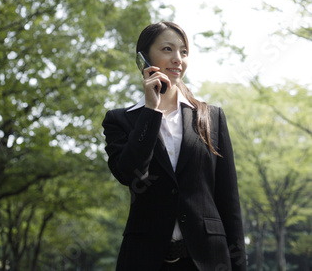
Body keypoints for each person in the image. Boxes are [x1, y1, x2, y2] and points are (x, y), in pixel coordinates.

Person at [102, 21, 247, 271]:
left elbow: (229, 201)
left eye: (183, 51)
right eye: (167, 49)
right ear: (144, 59)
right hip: (145, 259)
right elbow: (129, 174)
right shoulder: (120, 120)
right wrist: (151, 111)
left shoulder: (211, 117)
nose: (177, 59)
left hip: (208, 260)